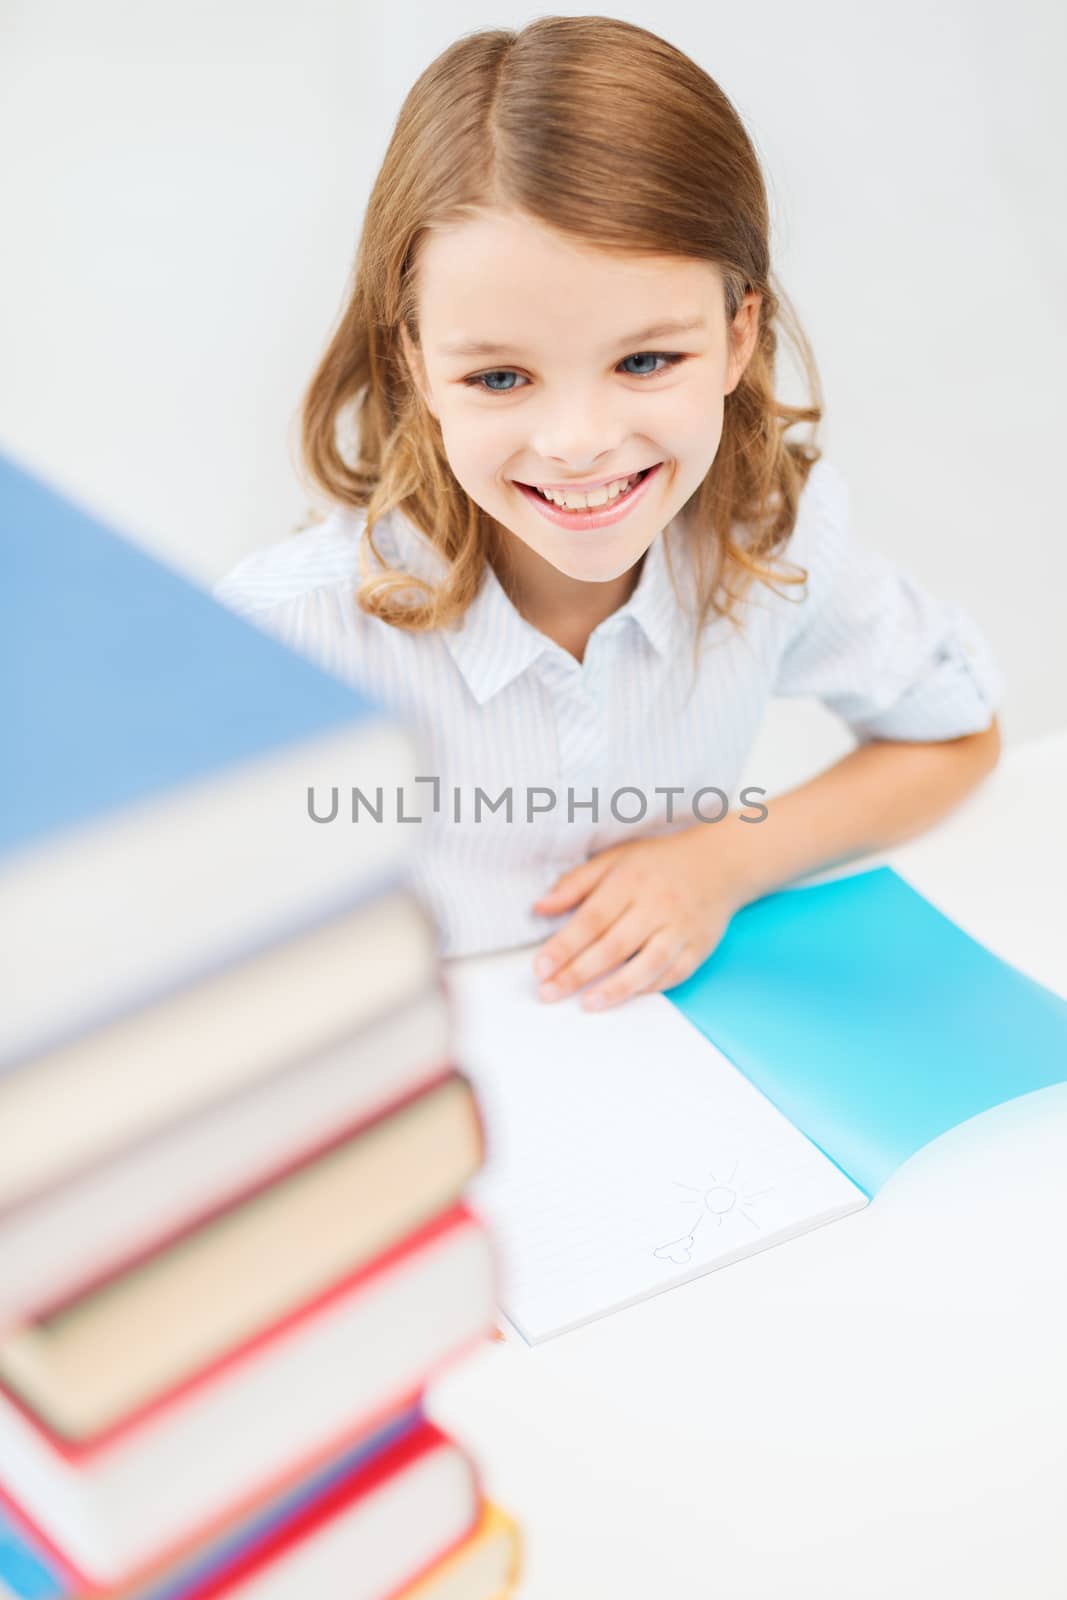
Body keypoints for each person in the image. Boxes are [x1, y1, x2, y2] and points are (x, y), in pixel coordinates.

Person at [214, 16, 1003, 1013]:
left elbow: (953, 736)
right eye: (500, 375)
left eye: (643, 361)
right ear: (416, 365)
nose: (577, 440)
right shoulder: (287, 630)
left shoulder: (770, 546)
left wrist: (719, 863)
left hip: (686, 1055)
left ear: (735, 334)